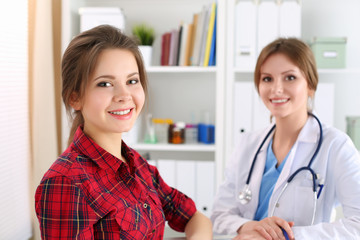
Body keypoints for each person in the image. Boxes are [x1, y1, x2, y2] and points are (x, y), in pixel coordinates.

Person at [35, 25, 212, 239]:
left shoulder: (137, 165)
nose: (124, 94)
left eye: (132, 81)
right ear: (75, 98)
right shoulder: (66, 182)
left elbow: (194, 217)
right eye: (105, 83)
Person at [211, 37, 360, 239]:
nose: (276, 89)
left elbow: (357, 224)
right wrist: (253, 228)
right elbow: (219, 215)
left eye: (289, 77)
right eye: (267, 79)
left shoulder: (336, 146)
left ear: (310, 85)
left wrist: (285, 235)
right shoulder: (248, 144)